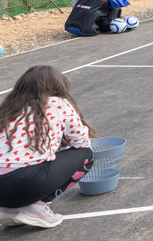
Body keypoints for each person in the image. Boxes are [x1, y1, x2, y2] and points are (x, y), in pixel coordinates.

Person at [0, 66, 96, 229]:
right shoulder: (58, 103)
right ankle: (36, 207)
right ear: (57, 86)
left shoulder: (8, 107)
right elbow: (81, 142)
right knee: (86, 155)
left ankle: (10, 209)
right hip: (26, 182)